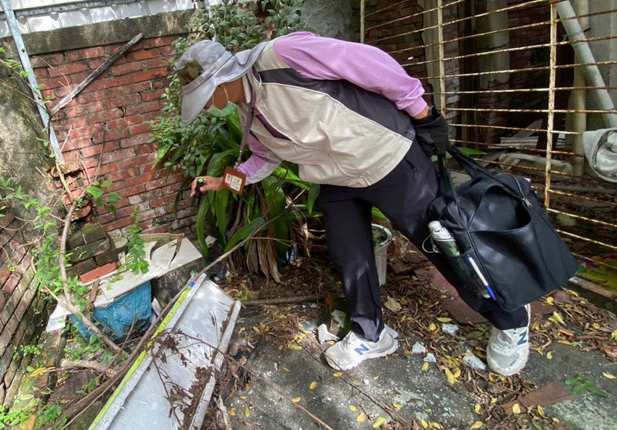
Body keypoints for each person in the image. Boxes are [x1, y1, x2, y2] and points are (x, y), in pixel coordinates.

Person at [174, 32, 531, 376]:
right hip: (336, 177)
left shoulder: (283, 55)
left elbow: (369, 64)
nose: (205, 106)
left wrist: (424, 114)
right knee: (349, 254)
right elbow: (263, 159)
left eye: (203, 96)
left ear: (220, 82)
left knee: (439, 243)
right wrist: (223, 181)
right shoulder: (247, 113)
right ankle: (371, 333)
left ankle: (511, 316)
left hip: (386, 156)